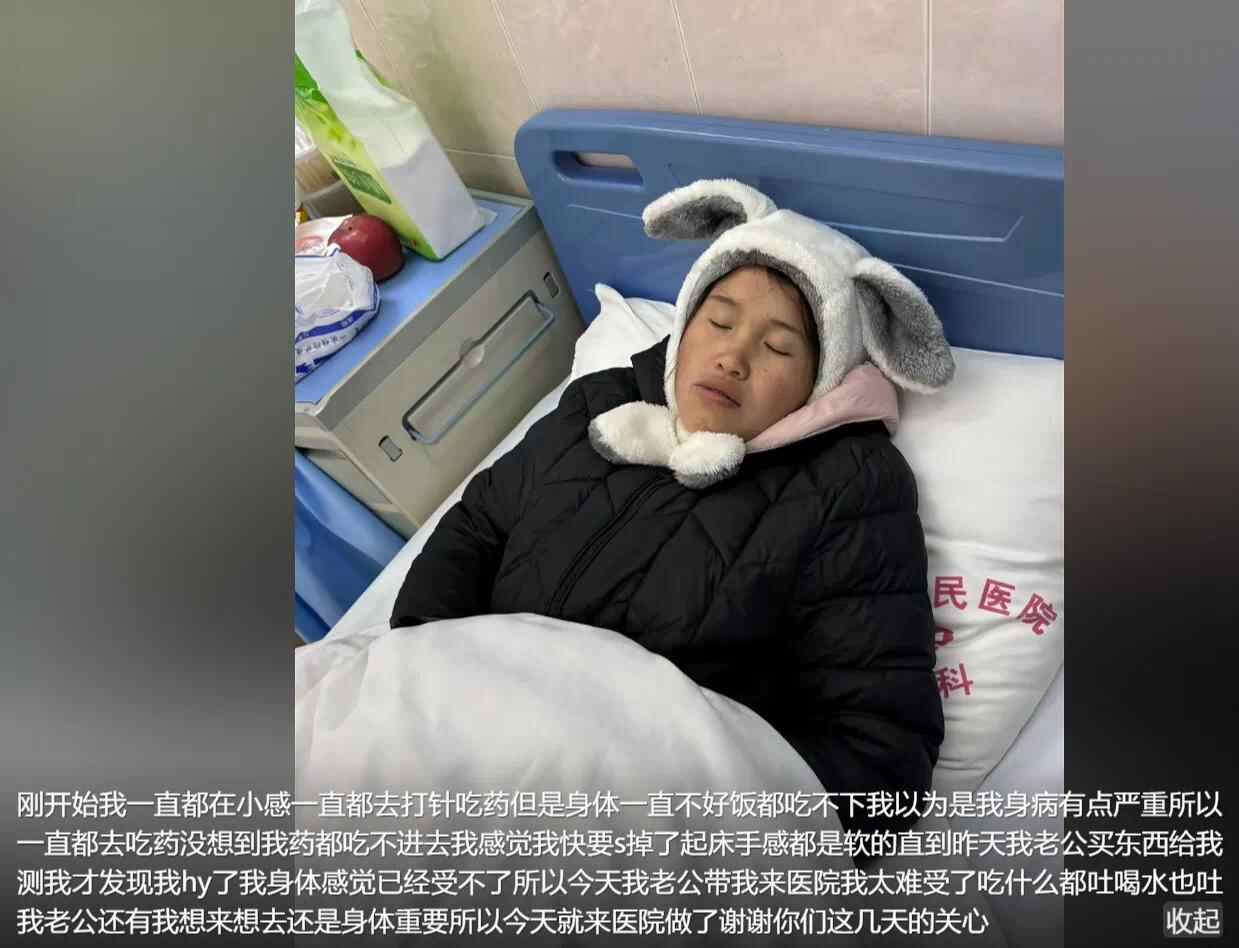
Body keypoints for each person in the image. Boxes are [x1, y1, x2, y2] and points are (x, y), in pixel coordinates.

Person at [391, 180, 955, 832]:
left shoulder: (849, 488)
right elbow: (477, 525)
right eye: (718, 321)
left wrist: (676, 810)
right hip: (449, 733)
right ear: (685, 322)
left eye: (778, 347)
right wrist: (421, 669)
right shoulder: (601, 401)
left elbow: (880, 753)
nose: (732, 356)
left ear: (822, 378)